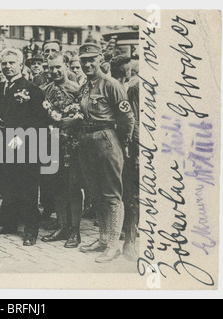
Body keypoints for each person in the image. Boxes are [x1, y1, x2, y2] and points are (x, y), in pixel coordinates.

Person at [76, 43, 135, 263]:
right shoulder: (85, 86)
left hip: (106, 139)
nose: (87, 63)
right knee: (95, 193)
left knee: (111, 194)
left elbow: (128, 118)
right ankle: (102, 239)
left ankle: (113, 245)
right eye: (83, 60)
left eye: (92, 59)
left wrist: (123, 143)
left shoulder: (111, 85)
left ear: (101, 59)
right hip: (87, 141)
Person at [0, 48, 48, 247]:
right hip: (5, 145)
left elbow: (39, 121)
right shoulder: (3, 87)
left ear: (20, 65)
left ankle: (31, 229)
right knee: (8, 187)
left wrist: (20, 139)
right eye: (4, 63)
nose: (7, 67)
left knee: (27, 190)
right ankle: (8, 223)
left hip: (26, 147)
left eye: (12, 63)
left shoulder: (31, 89)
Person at [40, 52, 83, 248]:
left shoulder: (77, 89)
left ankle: (75, 231)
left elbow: (84, 116)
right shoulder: (44, 90)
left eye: (58, 67)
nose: (55, 71)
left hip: (73, 146)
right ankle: (62, 225)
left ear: (65, 66)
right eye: (51, 68)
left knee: (73, 187)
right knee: (56, 186)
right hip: (52, 143)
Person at [110, 56, 140, 261]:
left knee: (131, 195)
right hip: (115, 146)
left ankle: (130, 242)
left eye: (129, 71)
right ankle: (111, 239)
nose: (126, 75)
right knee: (117, 193)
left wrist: (134, 148)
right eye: (123, 72)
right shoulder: (114, 87)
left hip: (130, 148)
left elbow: (134, 121)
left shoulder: (135, 89)